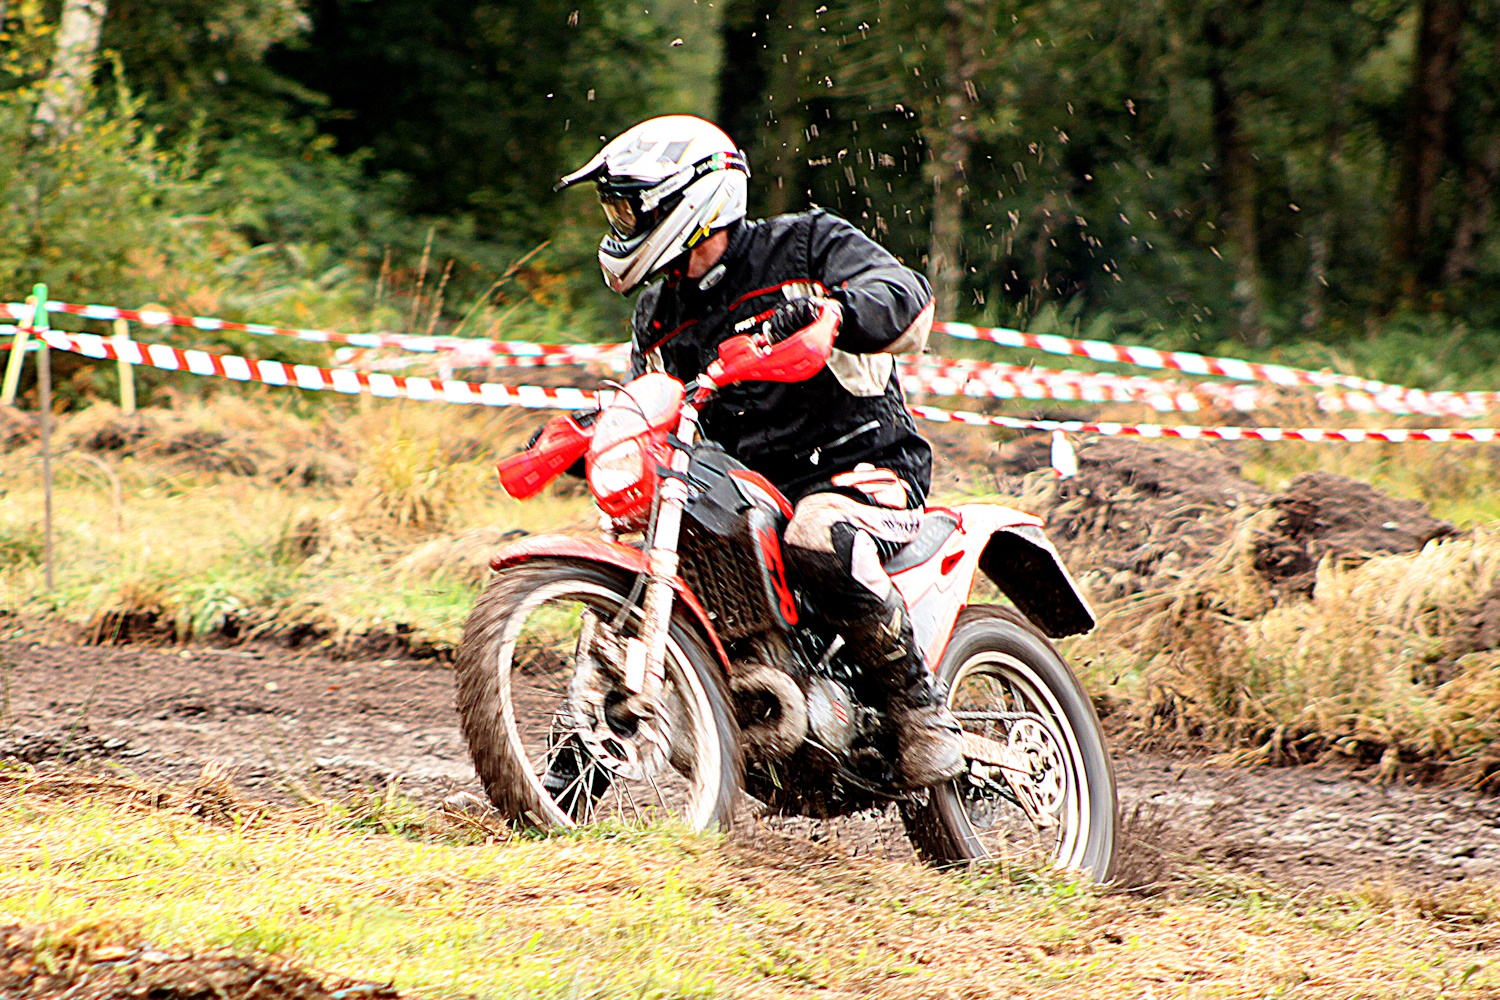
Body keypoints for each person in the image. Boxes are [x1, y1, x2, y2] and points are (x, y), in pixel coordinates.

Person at [556, 115, 963, 788]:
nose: (620, 223)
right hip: (746, 489)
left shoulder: (805, 245)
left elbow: (907, 297)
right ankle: (566, 782)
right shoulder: (661, 312)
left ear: (690, 200)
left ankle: (919, 709)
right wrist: (603, 427)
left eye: (631, 206)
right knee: (641, 567)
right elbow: (653, 395)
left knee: (817, 534)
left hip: (862, 469)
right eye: (615, 209)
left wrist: (835, 310)